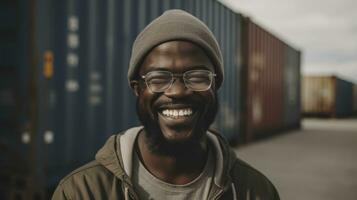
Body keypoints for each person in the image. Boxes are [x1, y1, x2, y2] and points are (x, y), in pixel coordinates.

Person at [52, 9, 279, 200]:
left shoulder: (255, 192)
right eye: (159, 78)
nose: (178, 91)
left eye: (197, 76)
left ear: (215, 85)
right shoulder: (81, 192)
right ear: (137, 88)